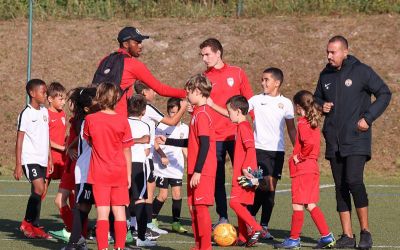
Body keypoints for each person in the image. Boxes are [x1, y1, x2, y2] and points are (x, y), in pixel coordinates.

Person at [314, 35, 391, 249]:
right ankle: (347, 236)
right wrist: (321, 106)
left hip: (357, 138)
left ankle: (365, 232)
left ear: (345, 52)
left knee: (354, 181)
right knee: (340, 187)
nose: (329, 56)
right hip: (334, 140)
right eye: (327, 52)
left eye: (333, 52)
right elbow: (316, 99)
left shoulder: (361, 71)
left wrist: (368, 117)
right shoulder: (325, 74)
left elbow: (384, 93)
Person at [200, 38, 254, 226]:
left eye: (207, 54)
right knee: (218, 178)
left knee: (243, 175)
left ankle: (246, 218)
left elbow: (250, 102)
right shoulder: (204, 78)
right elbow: (201, 104)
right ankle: (222, 217)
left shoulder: (237, 73)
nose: (204, 59)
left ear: (218, 53)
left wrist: (255, 125)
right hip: (215, 137)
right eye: (202, 55)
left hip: (237, 135)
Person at [274, 90, 335, 249]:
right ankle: (327, 236)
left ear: (298, 106)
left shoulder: (302, 122)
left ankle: (294, 239)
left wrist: (299, 157)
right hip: (311, 168)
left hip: (303, 169)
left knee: (297, 205)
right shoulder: (311, 122)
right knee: (310, 204)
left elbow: (308, 145)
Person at [83, 83, 134, 250]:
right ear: (116, 98)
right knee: (119, 212)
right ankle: (119, 247)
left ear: (99, 96)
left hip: (99, 173)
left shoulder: (90, 119)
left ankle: (102, 248)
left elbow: (89, 141)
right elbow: (127, 149)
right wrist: (128, 174)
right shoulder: (122, 120)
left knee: (102, 214)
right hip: (119, 171)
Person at [247, 67, 296, 239]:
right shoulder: (255, 99)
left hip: (277, 152)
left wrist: (298, 148)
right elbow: (237, 113)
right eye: (262, 79)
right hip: (258, 150)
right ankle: (250, 219)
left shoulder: (287, 103)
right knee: (263, 185)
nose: (262, 83)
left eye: (266, 80)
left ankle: (262, 225)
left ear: (277, 83)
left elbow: (291, 129)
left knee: (270, 189)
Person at [134, 81, 188, 236]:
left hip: (141, 155)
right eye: (153, 90)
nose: (155, 93)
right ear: (145, 92)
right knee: (146, 194)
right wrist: (183, 107)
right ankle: (143, 226)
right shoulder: (147, 107)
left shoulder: (135, 106)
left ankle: (145, 224)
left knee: (145, 192)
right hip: (145, 157)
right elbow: (171, 121)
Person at [100, 26, 186, 117]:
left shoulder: (105, 60)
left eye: (140, 42)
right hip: (119, 118)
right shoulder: (133, 65)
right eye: (137, 42)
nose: (140, 46)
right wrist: (186, 93)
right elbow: (160, 89)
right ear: (126, 44)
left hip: (97, 116)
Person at [14, 78, 53, 239]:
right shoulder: (26, 113)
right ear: (32, 93)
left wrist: (50, 158)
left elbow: (47, 137)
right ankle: (27, 222)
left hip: (43, 159)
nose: (46, 94)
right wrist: (18, 164)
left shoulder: (44, 112)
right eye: (43, 92)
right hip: (29, 159)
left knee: (38, 192)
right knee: (39, 189)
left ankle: (34, 225)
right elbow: (20, 140)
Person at [62, 87, 97, 250]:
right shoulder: (88, 121)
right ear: (87, 108)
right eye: (96, 99)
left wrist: (71, 146)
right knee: (83, 206)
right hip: (87, 171)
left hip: (100, 170)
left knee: (108, 208)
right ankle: (75, 242)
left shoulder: (92, 119)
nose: (100, 101)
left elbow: (79, 138)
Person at [225, 95, 263, 247]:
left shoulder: (243, 127)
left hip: (245, 174)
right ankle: (243, 236)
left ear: (238, 111)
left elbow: (251, 149)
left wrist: (247, 170)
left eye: (230, 111)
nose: (228, 114)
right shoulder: (241, 126)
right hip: (244, 172)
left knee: (234, 203)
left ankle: (256, 228)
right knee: (240, 203)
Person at [152, 97, 189, 234]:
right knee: (162, 195)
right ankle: (152, 219)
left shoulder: (185, 128)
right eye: (171, 112)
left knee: (177, 194)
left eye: (175, 112)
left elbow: (185, 146)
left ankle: (176, 223)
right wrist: (162, 155)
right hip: (162, 166)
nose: (173, 115)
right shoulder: (162, 126)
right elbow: (154, 142)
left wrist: (190, 160)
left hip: (176, 167)